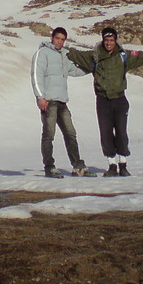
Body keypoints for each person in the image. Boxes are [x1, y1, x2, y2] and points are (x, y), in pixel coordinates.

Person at [67, 27, 143, 177]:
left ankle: (123, 164)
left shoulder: (123, 56)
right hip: (102, 100)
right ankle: (112, 165)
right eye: (106, 40)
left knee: (121, 132)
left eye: (111, 40)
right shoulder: (94, 56)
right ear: (103, 40)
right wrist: (63, 49)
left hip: (119, 99)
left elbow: (142, 56)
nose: (109, 43)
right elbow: (76, 55)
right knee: (106, 133)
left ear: (115, 41)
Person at [31, 27, 94, 178]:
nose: (59, 41)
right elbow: (36, 75)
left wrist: (92, 68)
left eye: (62, 39)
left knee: (70, 133)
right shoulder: (42, 53)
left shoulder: (64, 55)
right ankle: (49, 167)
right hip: (48, 101)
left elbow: (73, 70)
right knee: (49, 134)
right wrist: (40, 96)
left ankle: (78, 166)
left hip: (62, 101)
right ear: (52, 38)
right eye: (57, 38)